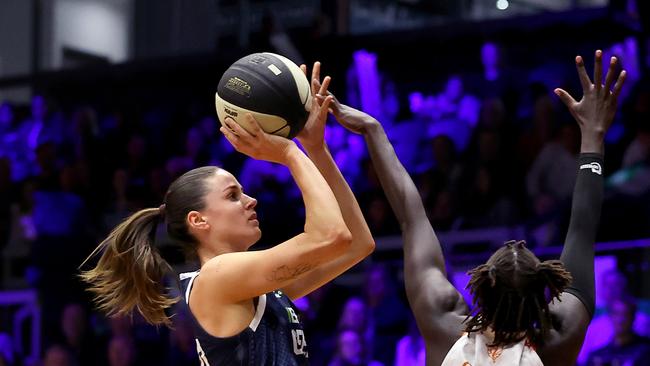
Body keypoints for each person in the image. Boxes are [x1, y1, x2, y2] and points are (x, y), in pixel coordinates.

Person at [322, 50, 626, 365]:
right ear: (543, 291)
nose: (516, 243)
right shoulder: (558, 338)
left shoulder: (447, 327)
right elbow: (583, 228)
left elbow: (412, 217)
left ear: (484, 283)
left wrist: (373, 130)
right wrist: (594, 136)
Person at [81, 62, 375, 365]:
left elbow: (357, 244)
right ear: (198, 220)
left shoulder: (253, 283)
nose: (251, 200)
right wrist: (289, 153)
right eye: (233, 195)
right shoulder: (217, 278)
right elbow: (332, 236)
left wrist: (316, 149)